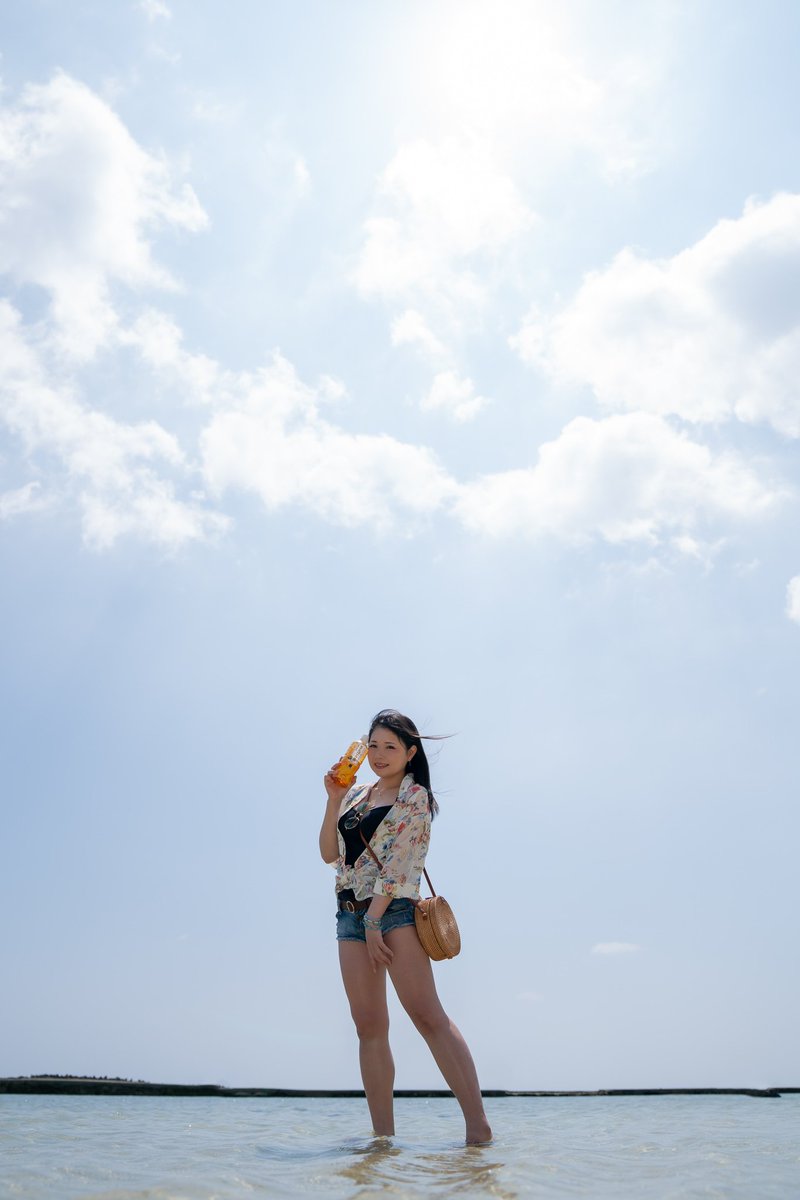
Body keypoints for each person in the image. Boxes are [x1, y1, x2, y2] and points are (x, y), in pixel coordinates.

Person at [319, 708, 492, 1145]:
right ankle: (383, 1142)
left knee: (427, 1016)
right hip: (349, 914)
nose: (379, 755)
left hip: (393, 913)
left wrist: (375, 920)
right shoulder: (357, 794)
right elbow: (329, 855)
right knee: (368, 1027)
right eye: (373, 746)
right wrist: (333, 798)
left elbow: (402, 863)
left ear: (410, 752)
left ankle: (478, 1129)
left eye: (390, 747)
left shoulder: (415, 797)